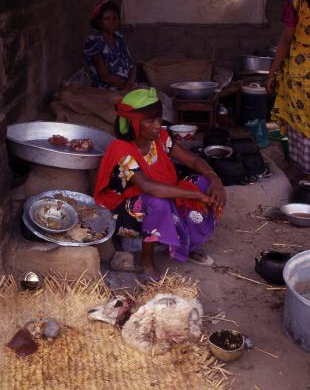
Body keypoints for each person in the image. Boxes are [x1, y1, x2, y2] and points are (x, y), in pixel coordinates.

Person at [94, 88, 226, 280]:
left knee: (203, 182)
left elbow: (193, 161)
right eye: (150, 120)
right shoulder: (121, 150)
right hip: (124, 212)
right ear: (133, 122)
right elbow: (148, 187)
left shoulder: (161, 139)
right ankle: (146, 260)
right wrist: (196, 196)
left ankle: (187, 243)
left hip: (159, 196)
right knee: (158, 201)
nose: (158, 125)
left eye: (159, 119)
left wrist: (215, 179)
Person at [267, 0, 310, 180]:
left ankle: (306, 175)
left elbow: (286, 41)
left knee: (301, 125)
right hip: (301, 77)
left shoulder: (298, 2)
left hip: (300, 76)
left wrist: (272, 71)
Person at [84, 0, 136, 90]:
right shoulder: (95, 42)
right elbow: (105, 77)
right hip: (107, 90)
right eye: (107, 19)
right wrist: (126, 85)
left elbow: (132, 65)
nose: (112, 22)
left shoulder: (119, 37)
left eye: (115, 18)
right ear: (99, 22)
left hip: (127, 86)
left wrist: (131, 82)